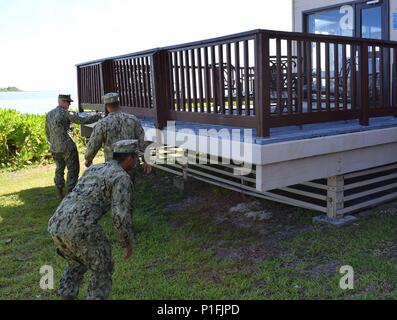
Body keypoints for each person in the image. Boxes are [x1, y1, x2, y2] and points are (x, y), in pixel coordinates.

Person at [48, 139, 140, 300]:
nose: (137, 161)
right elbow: (120, 215)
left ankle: (66, 295)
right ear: (130, 158)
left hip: (57, 221)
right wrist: (126, 242)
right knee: (103, 267)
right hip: (79, 226)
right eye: (136, 157)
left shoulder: (96, 168)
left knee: (76, 262)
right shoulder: (121, 177)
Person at [45, 94, 102, 199]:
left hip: (54, 147)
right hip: (67, 146)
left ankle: (59, 191)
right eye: (67, 102)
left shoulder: (49, 114)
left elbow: (47, 133)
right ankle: (71, 192)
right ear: (61, 101)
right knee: (73, 169)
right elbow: (81, 120)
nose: (69, 105)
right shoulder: (65, 113)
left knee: (59, 168)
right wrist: (97, 116)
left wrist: (53, 143)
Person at [84, 92, 151, 176]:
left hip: (113, 167)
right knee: (131, 186)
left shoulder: (102, 124)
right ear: (118, 103)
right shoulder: (133, 119)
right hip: (131, 164)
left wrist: (88, 159)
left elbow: (93, 145)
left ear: (106, 106)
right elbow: (143, 142)